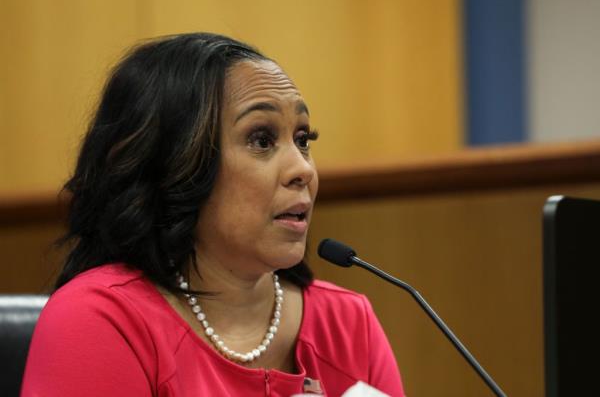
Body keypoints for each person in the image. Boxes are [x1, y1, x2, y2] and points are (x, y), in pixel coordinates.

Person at [21, 32, 405, 397]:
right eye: (261, 140)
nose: (302, 169)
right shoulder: (98, 321)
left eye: (303, 140)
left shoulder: (348, 323)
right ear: (174, 164)